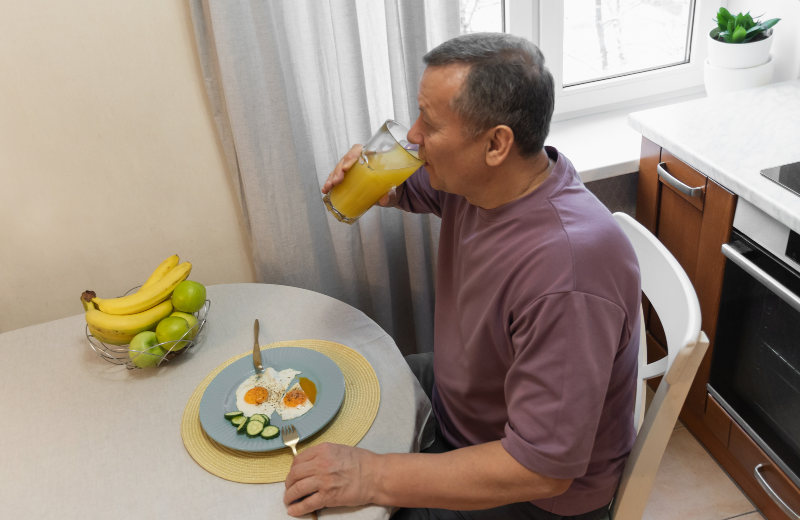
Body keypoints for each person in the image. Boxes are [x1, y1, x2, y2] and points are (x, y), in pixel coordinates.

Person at [283, 33, 641, 520]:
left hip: (532, 497)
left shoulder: (569, 271)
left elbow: (540, 469)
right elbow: (417, 188)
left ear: (496, 144)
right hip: (465, 399)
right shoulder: (488, 182)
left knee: (343, 504)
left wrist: (372, 475)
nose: (412, 135)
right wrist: (379, 184)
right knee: (336, 391)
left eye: (429, 124)